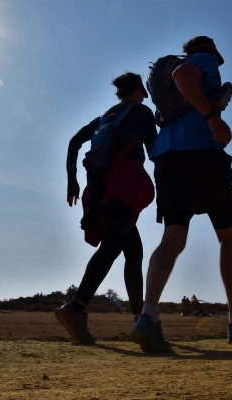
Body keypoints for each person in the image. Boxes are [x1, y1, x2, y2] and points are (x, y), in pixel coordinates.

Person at [129, 36, 232, 352]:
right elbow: (184, 75)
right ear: (210, 49)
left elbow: (178, 81)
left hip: (168, 158)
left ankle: (148, 317)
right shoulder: (202, 60)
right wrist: (212, 117)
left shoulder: (164, 77)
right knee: (229, 237)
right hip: (202, 154)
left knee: (173, 238)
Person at [55, 72, 157, 343]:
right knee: (112, 245)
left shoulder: (104, 117)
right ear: (139, 90)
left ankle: (141, 321)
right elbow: (155, 151)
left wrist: (72, 181)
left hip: (100, 186)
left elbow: (74, 142)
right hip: (125, 185)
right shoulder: (142, 112)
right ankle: (76, 307)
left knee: (133, 252)